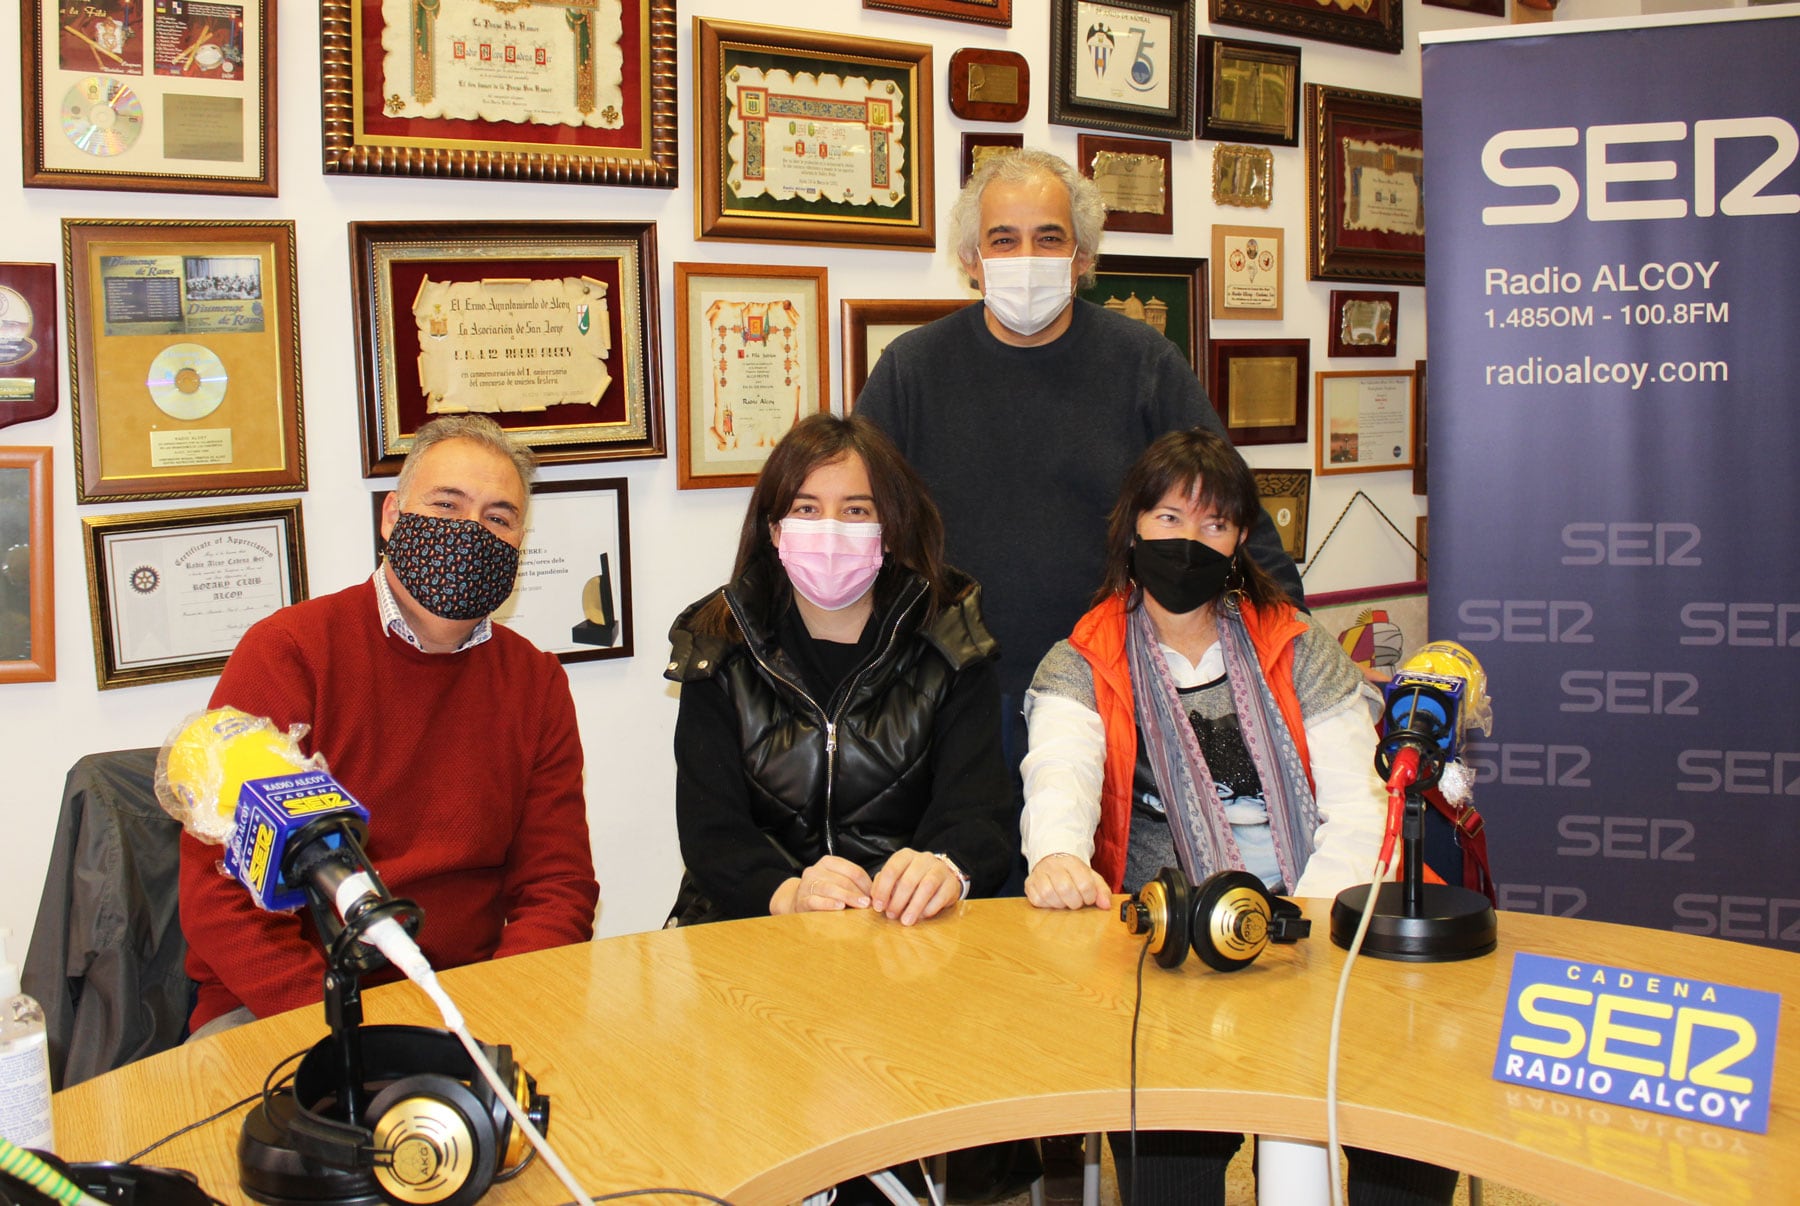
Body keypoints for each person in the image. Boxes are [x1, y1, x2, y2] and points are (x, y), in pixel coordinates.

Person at [1020, 428, 1456, 1205]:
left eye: (1214, 523)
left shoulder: (1296, 642)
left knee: (1410, 1138)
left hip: (1320, 925)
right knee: (1167, 1171)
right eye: (1169, 519)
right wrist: (1054, 856)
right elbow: (1061, 774)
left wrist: (1299, 918)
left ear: (1239, 539)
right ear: (1132, 528)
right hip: (1179, 948)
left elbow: (1361, 807)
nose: (1190, 541)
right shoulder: (1080, 662)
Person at [856, 147, 1303, 783]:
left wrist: (1297, 649)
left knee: (1099, 878)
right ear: (971, 261)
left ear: (1084, 259)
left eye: (1049, 238)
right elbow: (855, 520)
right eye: (1003, 240)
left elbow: (1231, 511)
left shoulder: (1144, 363)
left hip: (1121, 689)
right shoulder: (911, 369)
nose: (1026, 257)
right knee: (975, 879)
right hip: (952, 695)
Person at [178, 415, 599, 1037]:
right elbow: (224, 895)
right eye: (446, 505)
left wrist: (496, 1012)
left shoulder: (534, 681)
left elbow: (557, 888)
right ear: (393, 517)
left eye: (498, 518)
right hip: (290, 1008)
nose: (470, 533)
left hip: (471, 998)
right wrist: (347, 1031)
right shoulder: (289, 653)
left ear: (518, 546)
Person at [664, 412, 1015, 927]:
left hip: (901, 928)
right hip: (752, 927)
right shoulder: (718, 643)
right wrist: (787, 894)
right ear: (774, 530)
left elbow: (979, 815)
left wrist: (943, 869)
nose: (829, 529)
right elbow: (711, 834)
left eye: (855, 510)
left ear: (890, 530)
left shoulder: (950, 642)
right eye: (806, 508)